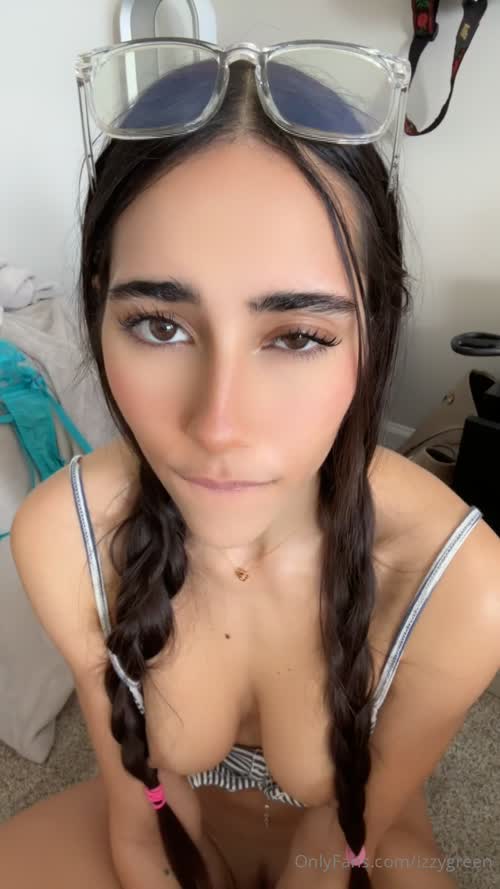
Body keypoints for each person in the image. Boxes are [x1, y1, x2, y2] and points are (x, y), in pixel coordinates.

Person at [1, 39, 499, 889]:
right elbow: (140, 825)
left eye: (298, 335)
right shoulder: (64, 539)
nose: (218, 426)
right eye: (160, 325)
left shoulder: (459, 585)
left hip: (351, 846)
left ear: (374, 333)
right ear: (98, 308)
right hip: (169, 823)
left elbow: (332, 852)